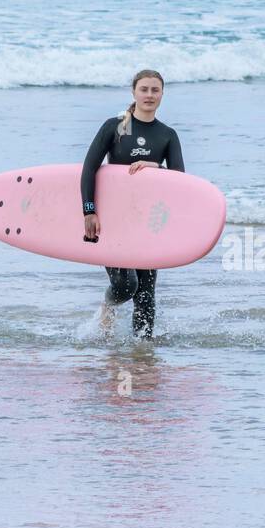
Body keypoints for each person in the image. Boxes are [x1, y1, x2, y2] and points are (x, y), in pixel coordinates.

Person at [80, 69, 184, 339]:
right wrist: (89, 211)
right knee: (126, 284)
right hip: (114, 220)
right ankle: (108, 307)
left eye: (155, 90)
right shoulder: (114, 127)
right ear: (134, 92)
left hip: (148, 222)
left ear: (162, 94)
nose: (149, 95)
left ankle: (143, 355)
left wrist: (155, 166)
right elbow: (89, 169)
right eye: (144, 89)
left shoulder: (167, 135)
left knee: (146, 295)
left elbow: (180, 181)